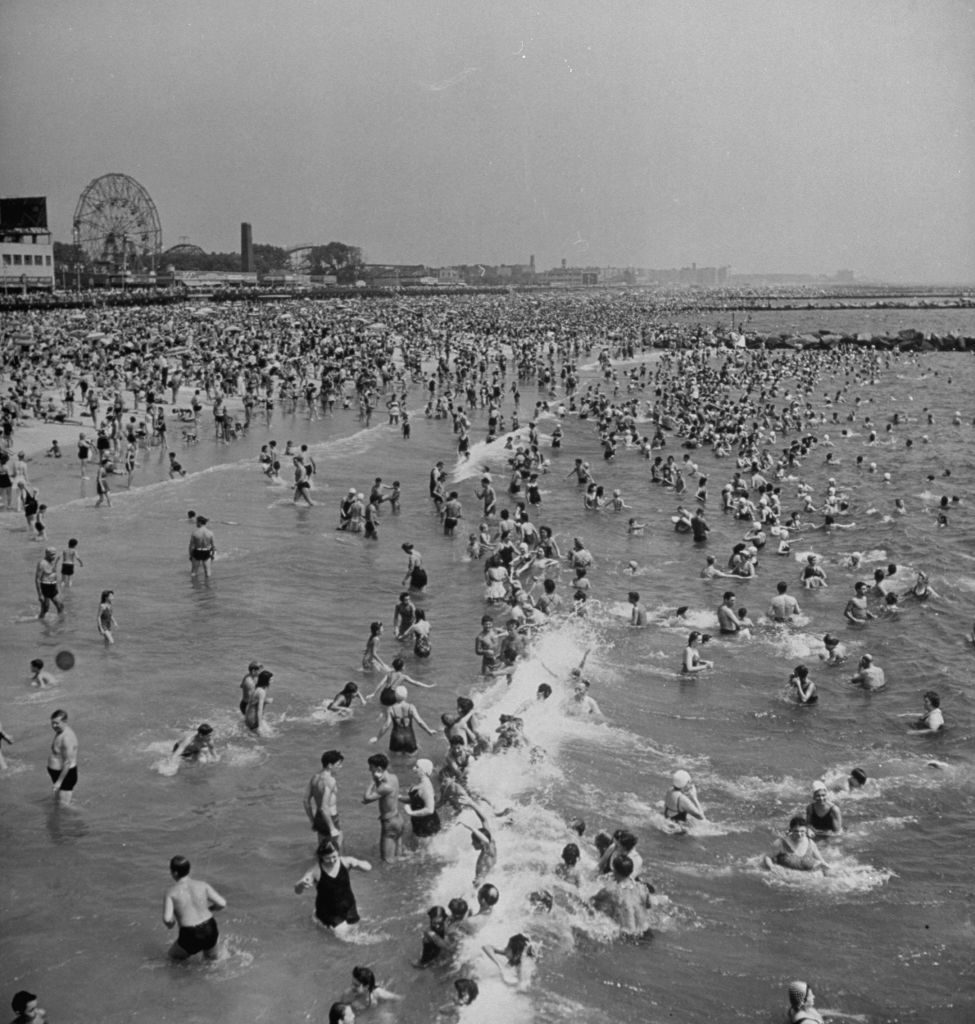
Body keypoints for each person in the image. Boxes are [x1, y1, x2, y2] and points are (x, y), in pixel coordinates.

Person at [294, 839, 371, 937]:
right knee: (342, 936)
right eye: (327, 858)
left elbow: (369, 868)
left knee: (355, 929)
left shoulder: (346, 862)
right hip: (329, 910)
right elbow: (297, 891)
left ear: (338, 852)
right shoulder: (315, 870)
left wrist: (358, 863)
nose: (332, 861)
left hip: (349, 904)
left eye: (334, 856)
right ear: (321, 857)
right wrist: (300, 884)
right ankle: (319, 918)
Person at [162, 855, 226, 961]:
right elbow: (222, 904)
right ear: (189, 870)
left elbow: (167, 919)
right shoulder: (203, 885)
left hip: (190, 933)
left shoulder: (171, 893)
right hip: (210, 927)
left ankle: (188, 977)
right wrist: (210, 909)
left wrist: (171, 924)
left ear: (175, 873)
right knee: (211, 962)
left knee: (172, 958)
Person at [591, 853, 653, 938]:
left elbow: (591, 904)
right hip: (647, 933)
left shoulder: (611, 891)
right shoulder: (643, 888)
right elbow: (648, 906)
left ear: (614, 871)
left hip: (628, 937)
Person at [362, 752, 405, 862]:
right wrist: (377, 779)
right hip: (398, 819)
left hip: (390, 823)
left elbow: (366, 798)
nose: (369, 770)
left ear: (379, 769)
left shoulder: (385, 787)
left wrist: (372, 781)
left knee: (387, 860)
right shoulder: (394, 778)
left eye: (371, 768)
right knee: (398, 857)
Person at [373, 686, 436, 754]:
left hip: (396, 738)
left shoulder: (391, 708)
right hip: (409, 737)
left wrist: (377, 738)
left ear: (395, 696)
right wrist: (429, 730)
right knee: (412, 757)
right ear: (406, 696)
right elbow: (419, 721)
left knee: (394, 758)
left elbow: (386, 725)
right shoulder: (411, 707)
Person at [304, 750, 344, 849]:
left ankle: (318, 863)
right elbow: (324, 806)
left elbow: (305, 801)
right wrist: (332, 828)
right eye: (338, 764)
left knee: (323, 847)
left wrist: (313, 821)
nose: (340, 767)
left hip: (319, 817)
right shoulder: (330, 780)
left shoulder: (315, 778)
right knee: (336, 847)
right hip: (330, 817)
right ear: (330, 765)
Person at [763, 816, 830, 873]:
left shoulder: (811, 843)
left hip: (805, 877)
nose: (799, 834)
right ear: (791, 830)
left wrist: (826, 869)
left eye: (802, 831)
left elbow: (821, 861)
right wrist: (772, 868)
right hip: (785, 876)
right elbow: (767, 857)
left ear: (806, 830)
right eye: (796, 831)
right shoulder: (781, 843)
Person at [459, 800, 497, 885]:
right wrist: (471, 804)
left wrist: (471, 827)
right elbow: (484, 820)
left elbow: (485, 840)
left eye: (474, 842)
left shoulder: (488, 852)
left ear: (481, 843)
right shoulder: (491, 844)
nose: (472, 844)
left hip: (481, 881)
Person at [401, 757, 441, 838]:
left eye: (417, 767)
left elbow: (430, 810)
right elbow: (415, 800)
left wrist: (411, 813)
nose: (413, 768)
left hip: (428, 824)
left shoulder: (426, 787)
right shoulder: (420, 784)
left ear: (424, 771)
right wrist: (398, 797)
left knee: (428, 849)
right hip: (420, 822)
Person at [47, 709, 78, 806]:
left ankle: (86, 817)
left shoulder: (67, 738)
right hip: (58, 774)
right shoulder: (60, 731)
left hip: (65, 776)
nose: (53, 726)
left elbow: (67, 762)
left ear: (65, 722)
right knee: (58, 804)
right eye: (52, 723)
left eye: (56, 723)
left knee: (64, 807)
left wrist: (59, 782)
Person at [35, 547, 64, 619]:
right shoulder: (42, 563)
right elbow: (37, 579)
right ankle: (41, 621)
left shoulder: (53, 561)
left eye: (54, 554)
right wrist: (40, 594)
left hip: (53, 586)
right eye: (51, 555)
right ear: (46, 554)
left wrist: (57, 587)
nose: (53, 556)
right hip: (45, 587)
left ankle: (60, 624)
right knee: (45, 609)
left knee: (60, 605)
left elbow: (53, 571)